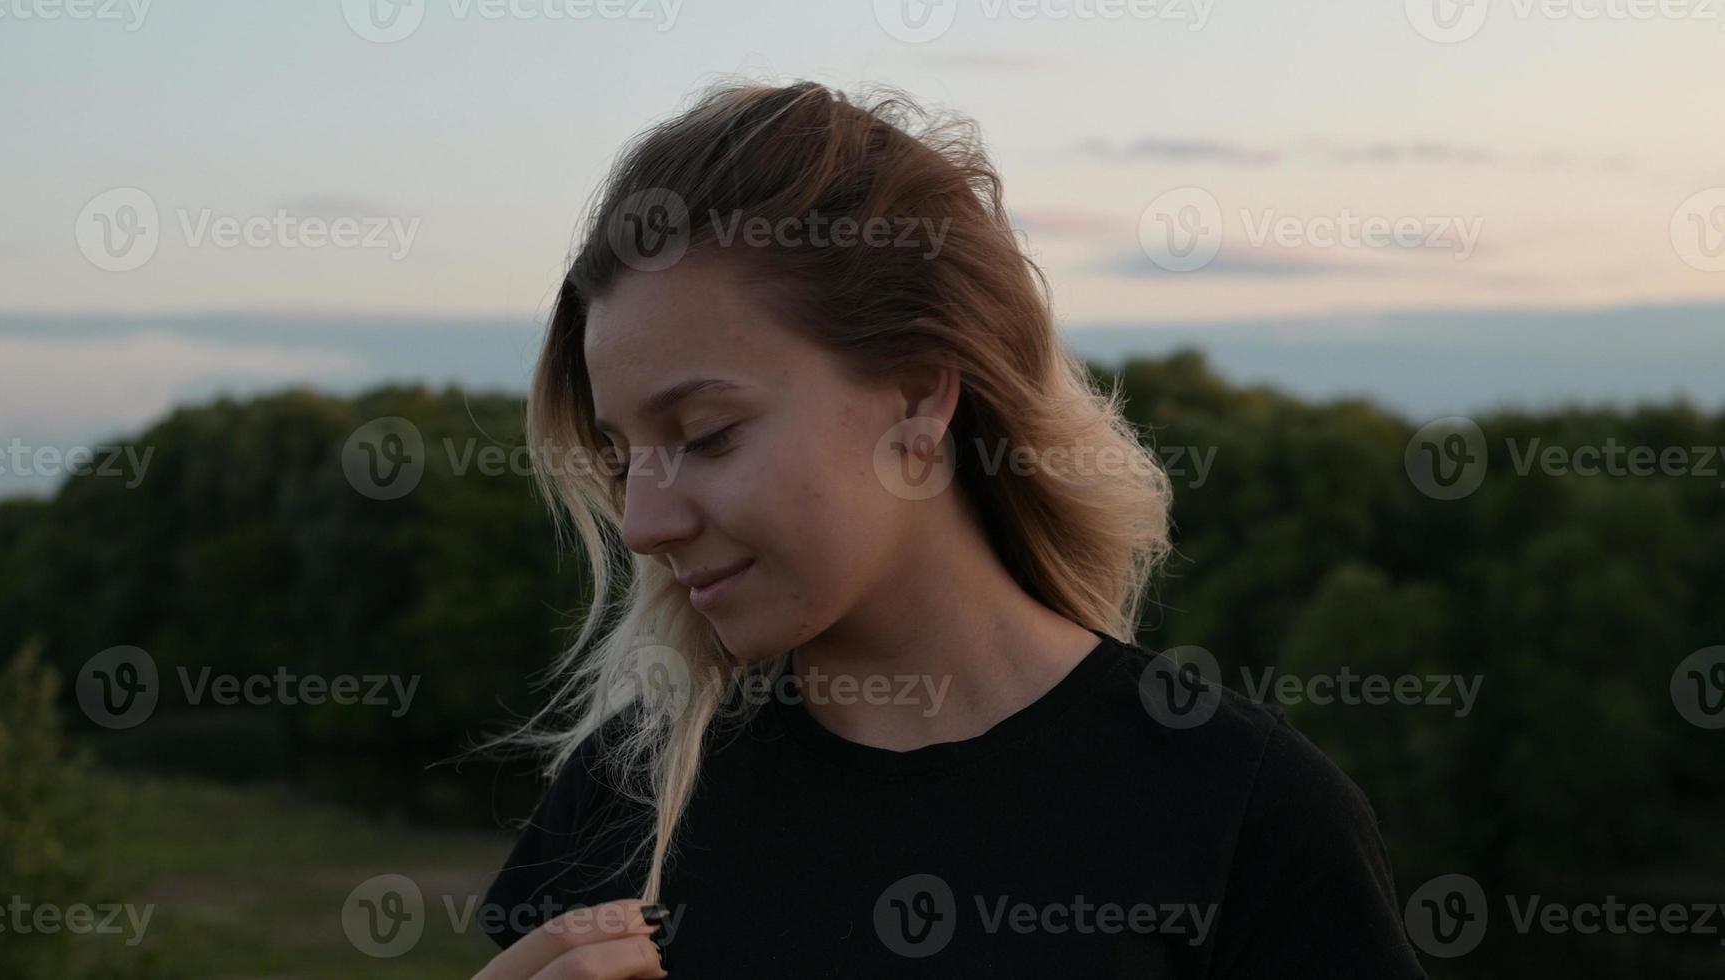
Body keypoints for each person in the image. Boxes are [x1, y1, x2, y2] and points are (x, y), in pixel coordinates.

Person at [472, 79, 1426, 980]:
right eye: (623, 452)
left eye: (706, 436)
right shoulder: (624, 800)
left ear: (920, 395)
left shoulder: (1242, 817)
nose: (641, 521)